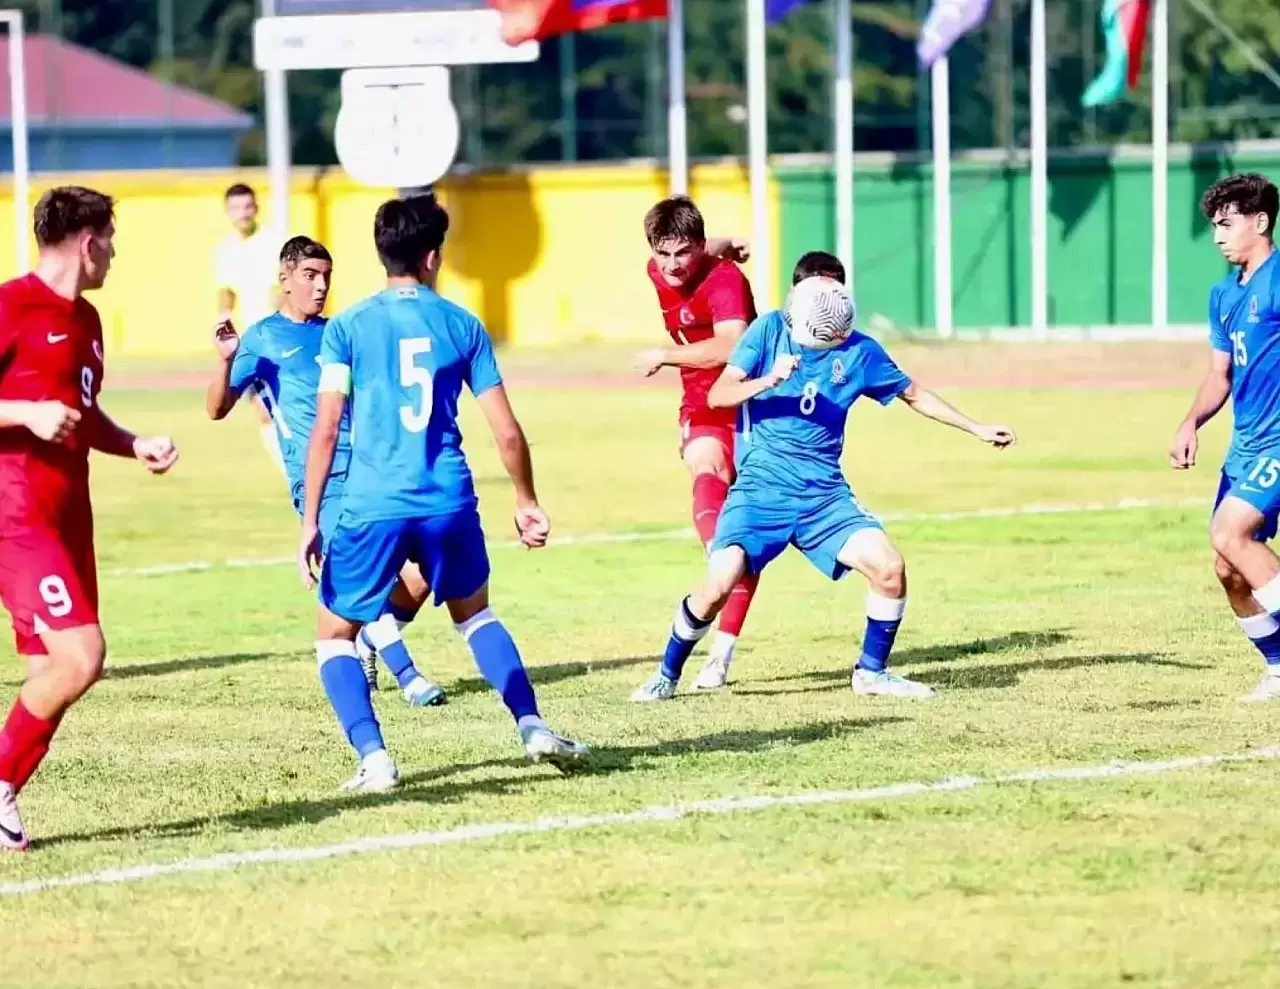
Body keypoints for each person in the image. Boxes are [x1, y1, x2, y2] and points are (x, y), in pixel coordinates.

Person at [298, 193, 587, 791]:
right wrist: (526, 500)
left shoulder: (347, 328)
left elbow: (326, 429)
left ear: (383, 253)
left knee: (334, 635)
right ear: (433, 256)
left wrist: (309, 524)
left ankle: (375, 760)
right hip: (448, 498)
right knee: (475, 614)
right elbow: (506, 430)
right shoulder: (462, 325)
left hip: (372, 502)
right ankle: (531, 724)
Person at [632, 252, 1015, 702]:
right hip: (759, 491)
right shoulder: (769, 330)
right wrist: (768, 380)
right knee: (719, 584)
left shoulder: (860, 351)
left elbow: (914, 394)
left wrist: (976, 427)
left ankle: (872, 673)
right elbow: (719, 394)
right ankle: (666, 674)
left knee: (889, 568)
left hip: (823, 497)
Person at [0, 186, 180, 850]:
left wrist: (133, 442)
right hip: (17, 515)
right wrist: (25, 414)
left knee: (59, 663)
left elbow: (82, 410)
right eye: (110, 238)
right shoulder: (10, 305)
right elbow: (41, 412)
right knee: (83, 655)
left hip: (70, 515)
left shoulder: (87, 321)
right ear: (87, 241)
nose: (113, 252)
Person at [206, 235, 445, 708]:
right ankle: (411, 677)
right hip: (322, 479)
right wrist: (228, 360)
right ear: (285, 278)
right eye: (310, 276)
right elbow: (216, 408)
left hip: (375, 471)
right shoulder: (262, 338)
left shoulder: (340, 331)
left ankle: (369, 640)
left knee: (424, 572)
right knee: (362, 574)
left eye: (326, 277)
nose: (320, 287)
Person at [635, 196, 762, 692]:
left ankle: (721, 655)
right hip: (703, 405)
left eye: (683, 254)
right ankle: (717, 553)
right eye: (662, 254)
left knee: (754, 527)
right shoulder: (661, 266)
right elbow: (689, 247)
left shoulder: (726, 281)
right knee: (706, 468)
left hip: (754, 404)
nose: (671, 266)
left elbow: (733, 344)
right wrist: (724, 240)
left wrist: (666, 355)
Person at [1169, 172, 1280, 702]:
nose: (1218, 235)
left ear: (1260, 222)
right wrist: (1191, 422)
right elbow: (1220, 377)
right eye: (1214, 225)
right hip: (1245, 446)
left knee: (1230, 534)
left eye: (1227, 224)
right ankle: (1278, 669)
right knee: (1228, 568)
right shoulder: (1222, 294)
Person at [213, 182, 287, 478]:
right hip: (248, 343)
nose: (242, 213)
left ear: (256, 207)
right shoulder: (224, 250)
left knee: (281, 406)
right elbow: (226, 291)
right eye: (236, 208)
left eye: (247, 206)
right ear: (227, 212)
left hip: (277, 338)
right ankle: (291, 470)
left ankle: (299, 469)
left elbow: (285, 287)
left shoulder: (274, 242)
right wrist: (223, 322)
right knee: (264, 409)